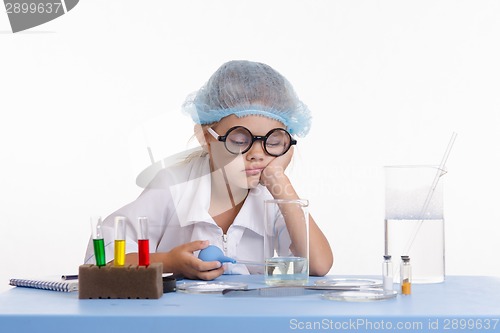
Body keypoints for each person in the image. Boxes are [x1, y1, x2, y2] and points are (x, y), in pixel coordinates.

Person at [84, 60, 333, 280]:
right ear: (207, 137)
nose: (257, 154)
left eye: (273, 141)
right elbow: (100, 261)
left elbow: (319, 265)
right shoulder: (173, 186)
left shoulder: (271, 196)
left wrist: (280, 181)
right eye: (239, 140)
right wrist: (168, 261)